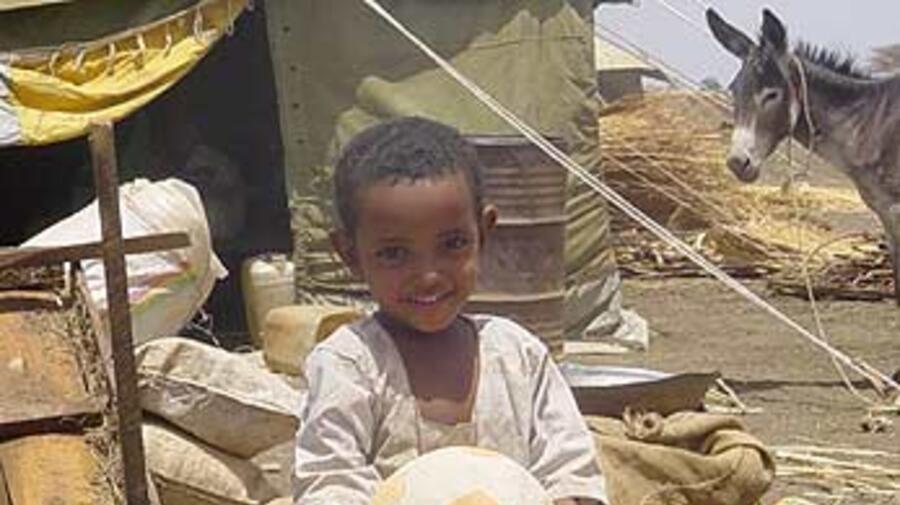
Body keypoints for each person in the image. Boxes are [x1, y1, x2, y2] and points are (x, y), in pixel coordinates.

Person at [293, 117, 607, 505]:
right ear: (350, 255)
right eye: (394, 253)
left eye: (453, 244)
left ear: (483, 233)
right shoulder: (350, 365)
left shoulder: (517, 356)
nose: (428, 276)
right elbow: (328, 482)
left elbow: (570, 469)